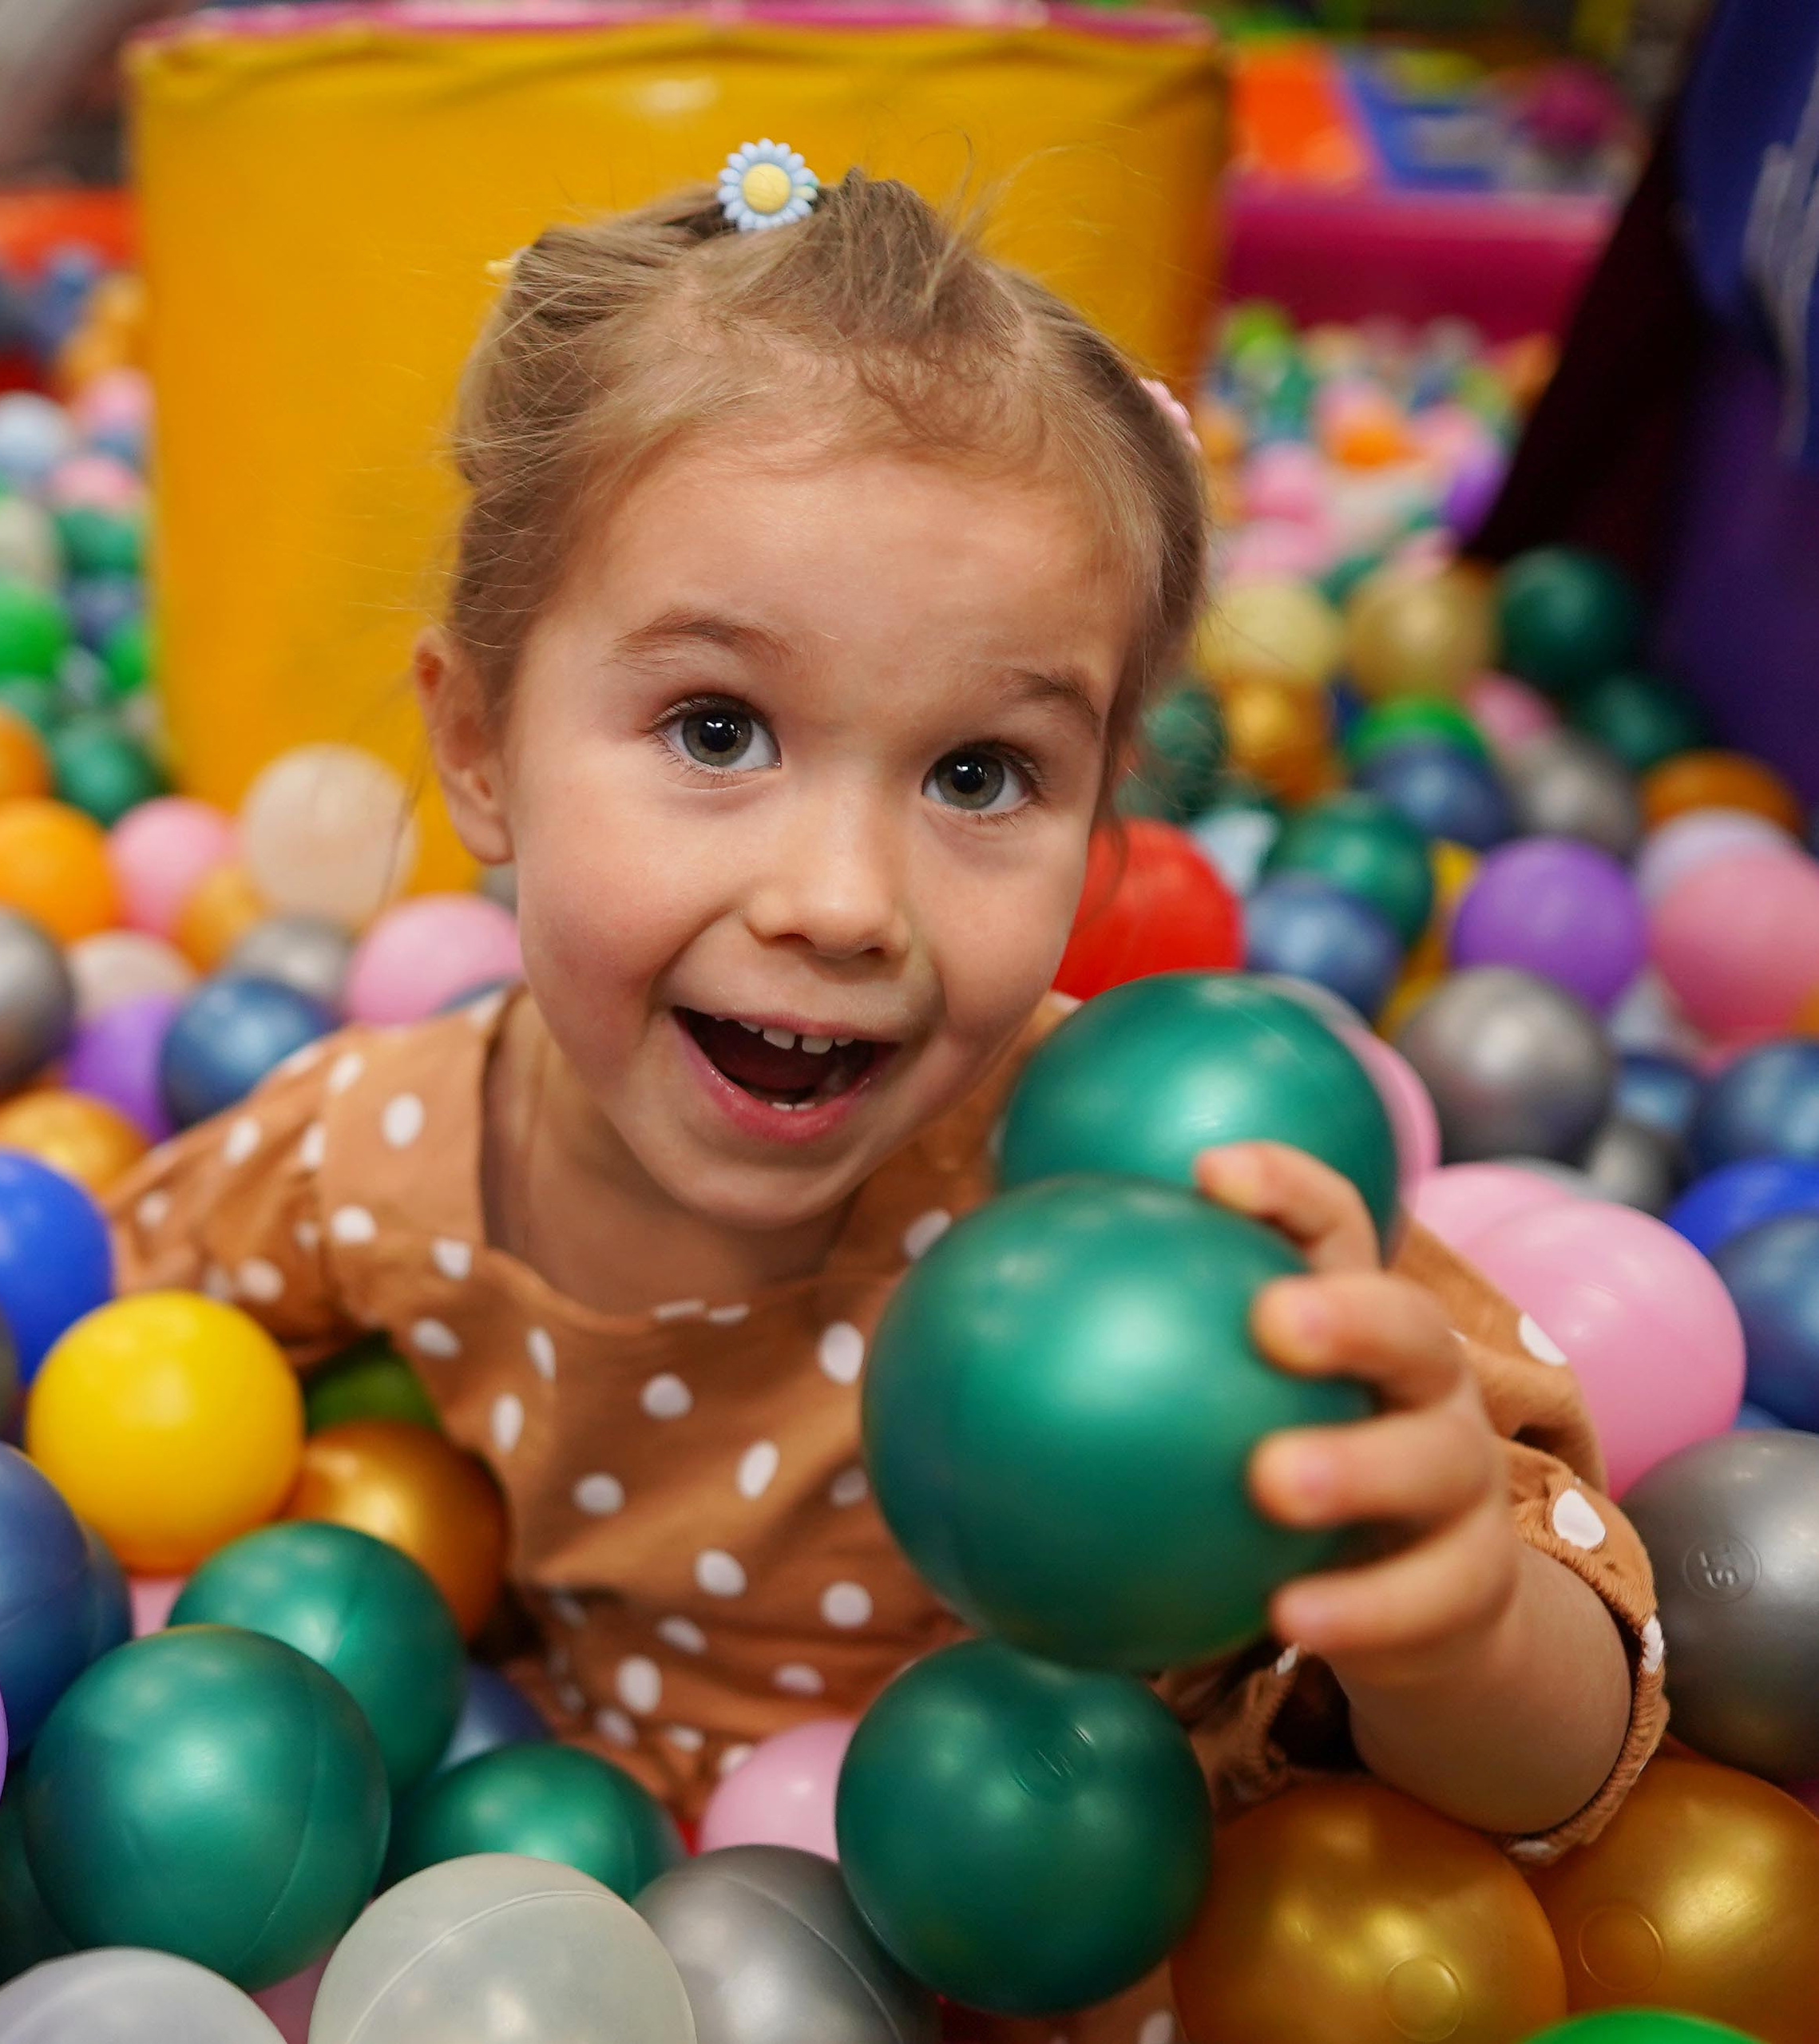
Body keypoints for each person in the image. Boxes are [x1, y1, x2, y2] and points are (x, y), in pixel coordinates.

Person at [111, 154, 1664, 2038]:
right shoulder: (371, 1150)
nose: (840, 902)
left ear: (1103, 827)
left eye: (980, 774)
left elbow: (1569, 1762)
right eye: (715, 730)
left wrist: (1452, 1622)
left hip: (1103, 1954)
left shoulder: (1180, 1195)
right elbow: (98, 1336)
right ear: (478, 744)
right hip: (552, 1932)